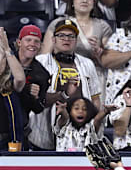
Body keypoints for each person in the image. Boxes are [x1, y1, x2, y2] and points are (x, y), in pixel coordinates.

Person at [29, 19, 102, 150]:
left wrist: (94, 128)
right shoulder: (40, 62)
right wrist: (64, 93)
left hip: (78, 138)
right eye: (61, 35)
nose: (66, 39)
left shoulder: (87, 64)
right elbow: (36, 99)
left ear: (76, 40)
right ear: (53, 39)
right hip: (43, 134)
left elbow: (95, 99)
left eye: (71, 36)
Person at [43, 0, 114, 101]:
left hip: (93, 76)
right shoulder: (57, 24)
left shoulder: (103, 26)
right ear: (72, 1)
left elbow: (109, 61)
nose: (84, 0)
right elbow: (44, 56)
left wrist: (98, 51)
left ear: (94, 2)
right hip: (62, 74)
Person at [15, 25, 49, 150]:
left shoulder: (41, 73)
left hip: (19, 128)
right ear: (19, 42)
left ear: (40, 46)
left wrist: (34, 98)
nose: (32, 44)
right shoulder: (5, 61)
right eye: (28, 40)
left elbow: (39, 108)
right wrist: (25, 89)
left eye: (36, 41)